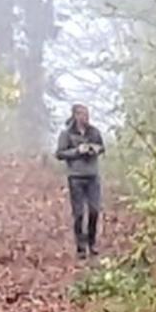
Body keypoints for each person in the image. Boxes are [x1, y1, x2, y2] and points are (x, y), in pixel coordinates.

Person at [54, 103, 108, 257]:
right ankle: (81, 247)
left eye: (87, 114)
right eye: (82, 114)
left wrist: (94, 149)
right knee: (78, 213)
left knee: (94, 211)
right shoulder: (67, 134)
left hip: (92, 176)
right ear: (76, 116)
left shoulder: (94, 132)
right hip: (76, 177)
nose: (86, 117)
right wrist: (77, 151)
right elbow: (60, 154)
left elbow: (102, 147)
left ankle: (92, 243)